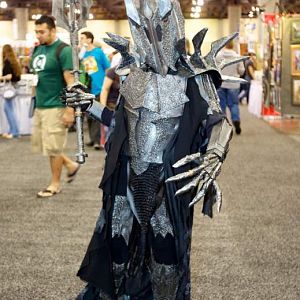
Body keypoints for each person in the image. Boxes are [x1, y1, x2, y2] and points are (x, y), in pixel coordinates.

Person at [64, 1, 245, 298]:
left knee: (165, 256)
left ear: (174, 23)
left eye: (159, 25)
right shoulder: (132, 75)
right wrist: (90, 105)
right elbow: (119, 124)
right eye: (142, 27)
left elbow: (217, 122)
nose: (151, 33)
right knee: (118, 249)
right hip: (127, 178)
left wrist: (214, 153)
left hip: (167, 180)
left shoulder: (194, 76)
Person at [30, 15, 80, 198]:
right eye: (36, 31)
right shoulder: (38, 49)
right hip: (41, 105)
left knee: (54, 148)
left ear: (53, 30)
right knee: (45, 145)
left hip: (56, 105)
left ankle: (55, 184)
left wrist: (70, 109)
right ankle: (70, 165)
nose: (38, 35)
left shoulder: (63, 50)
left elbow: (71, 82)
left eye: (42, 31)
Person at [80, 31, 110, 150]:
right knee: (89, 114)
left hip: (99, 86)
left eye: (82, 38)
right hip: (88, 87)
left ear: (89, 39)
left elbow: (107, 67)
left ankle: (98, 140)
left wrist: (106, 85)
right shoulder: (82, 55)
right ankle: (93, 139)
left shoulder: (98, 52)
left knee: (97, 114)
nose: (81, 40)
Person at [217, 40, 245, 135]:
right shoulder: (237, 56)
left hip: (221, 84)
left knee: (221, 106)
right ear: (233, 45)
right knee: (233, 104)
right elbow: (241, 71)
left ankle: (224, 126)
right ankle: (236, 120)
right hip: (233, 84)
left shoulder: (218, 56)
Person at [0, 44, 21, 139]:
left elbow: (9, 76)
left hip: (9, 89)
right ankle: (12, 130)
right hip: (14, 88)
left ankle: (14, 132)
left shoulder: (7, 62)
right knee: (9, 109)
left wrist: (1, 77)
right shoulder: (14, 62)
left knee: (9, 110)